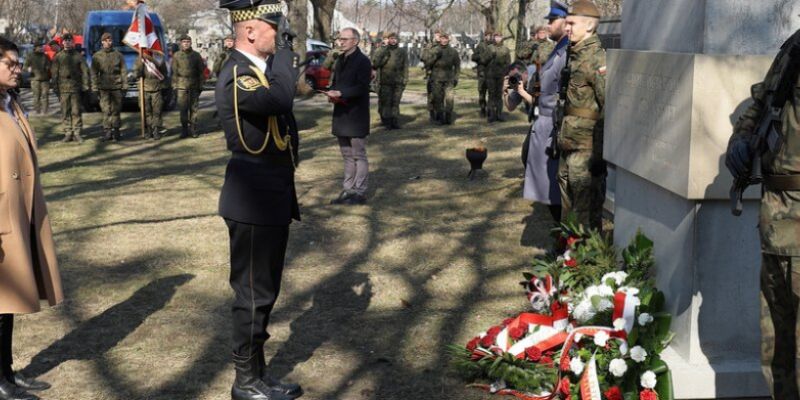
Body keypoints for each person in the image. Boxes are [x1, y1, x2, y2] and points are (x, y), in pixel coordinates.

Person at [215, 1, 303, 399]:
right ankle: (244, 382)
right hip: (252, 200)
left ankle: (259, 375)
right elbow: (279, 102)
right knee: (252, 295)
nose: (279, 35)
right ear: (250, 31)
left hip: (269, 198)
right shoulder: (237, 73)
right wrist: (286, 55)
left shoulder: (257, 72)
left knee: (264, 293)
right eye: (274, 28)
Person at [725, 28, 800, 399]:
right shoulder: (794, 44)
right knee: (777, 348)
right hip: (777, 217)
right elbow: (762, 101)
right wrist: (740, 139)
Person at [0, 35, 64, 400]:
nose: (18, 69)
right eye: (10, 63)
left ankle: (6, 371)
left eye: (18, 62)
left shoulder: (10, 102)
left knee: (5, 304)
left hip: (17, 211)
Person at [505, 0, 569, 223]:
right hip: (544, 125)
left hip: (556, 128)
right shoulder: (551, 56)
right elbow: (515, 103)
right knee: (543, 179)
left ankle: (565, 244)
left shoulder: (566, 53)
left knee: (555, 187)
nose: (548, 25)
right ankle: (562, 242)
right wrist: (514, 89)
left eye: (552, 21)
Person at [557, 0, 606, 230]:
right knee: (568, 208)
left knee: (585, 213)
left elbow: (610, 108)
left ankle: (582, 260)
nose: (567, 28)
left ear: (588, 26)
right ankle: (566, 256)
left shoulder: (597, 59)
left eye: (571, 23)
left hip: (586, 149)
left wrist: (600, 153)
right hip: (569, 144)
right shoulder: (575, 55)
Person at [322, 27, 371, 205]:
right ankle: (348, 190)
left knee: (358, 155)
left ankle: (360, 192)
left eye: (344, 39)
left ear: (355, 41)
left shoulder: (363, 61)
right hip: (341, 113)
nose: (340, 42)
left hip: (356, 114)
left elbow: (361, 87)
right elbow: (336, 83)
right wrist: (332, 94)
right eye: (339, 39)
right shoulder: (340, 59)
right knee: (346, 155)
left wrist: (340, 93)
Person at [51, 33, 89, 143]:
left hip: (75, 88)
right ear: (62, 43)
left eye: (69, 40)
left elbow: (85, 71)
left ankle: (77, 132)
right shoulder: (58, 57)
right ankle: (68, 133)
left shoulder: (78, 56)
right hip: (63, 89)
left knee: (76, 111)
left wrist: (85, 85)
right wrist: (55, 87)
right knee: (65, 111)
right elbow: (54, 73)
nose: (67, 42)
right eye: (65, 41)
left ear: (72, 42)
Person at [91, 32, 127, 142]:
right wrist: (94, 87)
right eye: (106, 41)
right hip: (104, 87)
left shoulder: (118, 55)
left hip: (116, 86)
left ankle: (116, 131)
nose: (108, 42)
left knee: (116, 110)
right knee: (106, 110)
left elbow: (123, 71)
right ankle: (107, 132)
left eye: (110, 40)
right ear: (102, 42)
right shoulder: (97, 56)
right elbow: (93, 73)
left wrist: (125, 86)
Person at [171, 34, 206, 138]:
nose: (186, 43)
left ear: (190, 43)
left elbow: (201, 72)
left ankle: (194, 129)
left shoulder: (196, 55)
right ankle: (184, 129)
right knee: (183, 109)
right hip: (181, 85)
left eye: (187, 42)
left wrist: (201, 85)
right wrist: (174, 85)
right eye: (184, 42)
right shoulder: (176, 55)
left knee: (194, 108)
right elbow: (174, 72)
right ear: (181, 43)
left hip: (194, 85)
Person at [372, 32, 407, 129]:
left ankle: (395, 122)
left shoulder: (402, 52)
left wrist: (405, 80)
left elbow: (405, 66)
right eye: (391, 38)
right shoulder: (382, 51)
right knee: (386, 103)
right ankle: (387, 122)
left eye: (395, 38)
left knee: (395, 102)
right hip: (385, 81)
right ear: (388, 39)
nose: (393, 40)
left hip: (398, 82)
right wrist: (384, 54)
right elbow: (375, 64)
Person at [425, 32, 460, 125]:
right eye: (442, 38)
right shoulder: (434, 50)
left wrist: (456, 78)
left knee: (450, 99)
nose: (444, 40)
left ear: (448, 39)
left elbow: (457, 66)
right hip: (436, 79)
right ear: (439, 39)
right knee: (438, 99)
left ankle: (448, 117)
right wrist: (435, 56)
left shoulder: (453, 51)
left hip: (449, 79)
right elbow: (427, 63)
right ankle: (440, 118)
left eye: (446, 39)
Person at [132, 54, 168, 140]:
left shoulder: (158, 58)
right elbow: (136, 75)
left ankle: (156, 129)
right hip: (144, 88)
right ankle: (148, 129)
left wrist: (163, 86)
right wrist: (140, 66)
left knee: (157, 110)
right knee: (146, 111)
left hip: (157, 88)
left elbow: (164, 73)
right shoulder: (139, 59)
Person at [483, 31, 510, 123]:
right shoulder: (489, 48)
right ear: (493, 38)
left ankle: (499, 114)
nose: (498, 38)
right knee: (491, 94)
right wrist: (490, 56)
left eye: (499, 37)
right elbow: (483, 60)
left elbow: (508, 63)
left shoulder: (505, 49)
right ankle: (491, 114)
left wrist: (507, 75)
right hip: (490, 75)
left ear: (502, 38)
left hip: (501, 75)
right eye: (496, 37)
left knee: (499, 95)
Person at [22, 42, 50, 115]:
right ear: (35, 48)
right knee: (36, 96)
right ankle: (37, 111)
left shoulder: (45, 56)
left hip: (45, 79)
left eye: (42, 47)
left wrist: (48, 68)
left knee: (45, 95)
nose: (41, 48)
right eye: (40, 47)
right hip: (35, 79)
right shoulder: (30, 56)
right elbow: (24, 67)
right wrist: (28, 68)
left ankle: (45, 112)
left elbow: (50, 65)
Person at [420, 30, 441, 122]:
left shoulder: (443, 46)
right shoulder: (429, 46)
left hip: (441, 74)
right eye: (436, 35)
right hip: (431, 74)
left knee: (440, 95)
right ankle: (432, 113)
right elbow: (422, 57)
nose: (437, 37)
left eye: (439, 35)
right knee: (431, 95)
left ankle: (439, 113)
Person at [471, 32, 492, 117]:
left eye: (490, 35)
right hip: (482, 73)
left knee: (492, 93)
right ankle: (483, 109)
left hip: (491, 73)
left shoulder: (493, 47)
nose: (488, 37)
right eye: (487, 35)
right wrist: (481, 58)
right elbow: (473, 57)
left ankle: (490, 110)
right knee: (482, 92)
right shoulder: (480, 46)